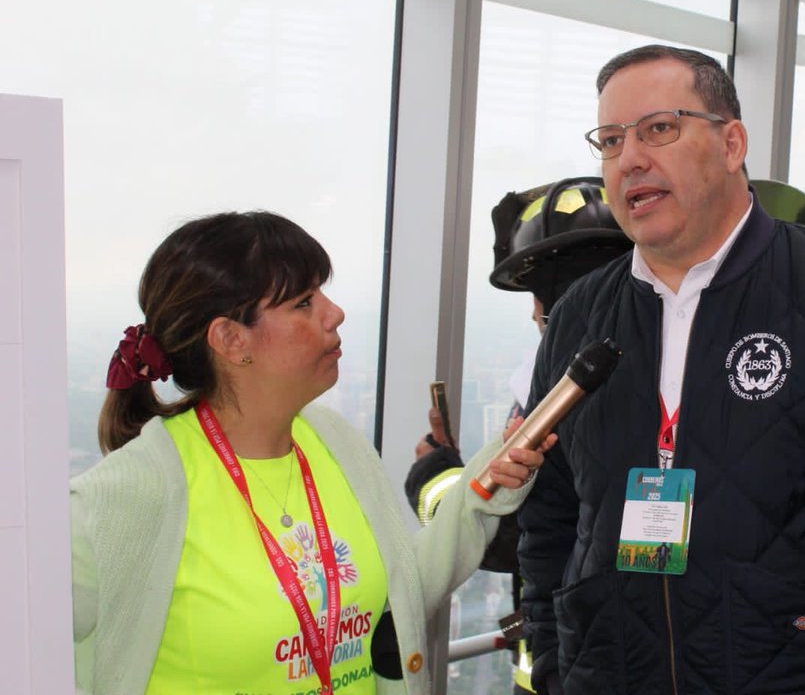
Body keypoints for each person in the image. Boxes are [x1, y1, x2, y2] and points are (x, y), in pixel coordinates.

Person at [517, 45, 805, 694]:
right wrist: (556, 669)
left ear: (732, 143)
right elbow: (548, 519)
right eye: (611, 140)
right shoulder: (580, 315)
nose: (630, 159)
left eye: (659, 129)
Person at [71, 211, 551, 695]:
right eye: (304, 302)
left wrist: (484, 488)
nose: (334, 312)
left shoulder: (334, 442)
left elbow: (395, 597)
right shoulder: (124, 497)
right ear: (231, 339)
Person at [405, 176, 634, 693]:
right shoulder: (638, 377)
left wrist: (432, 472)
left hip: (569, 665)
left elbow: (508, 532)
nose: (533, 314)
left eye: (538, 296)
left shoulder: (564, 398)